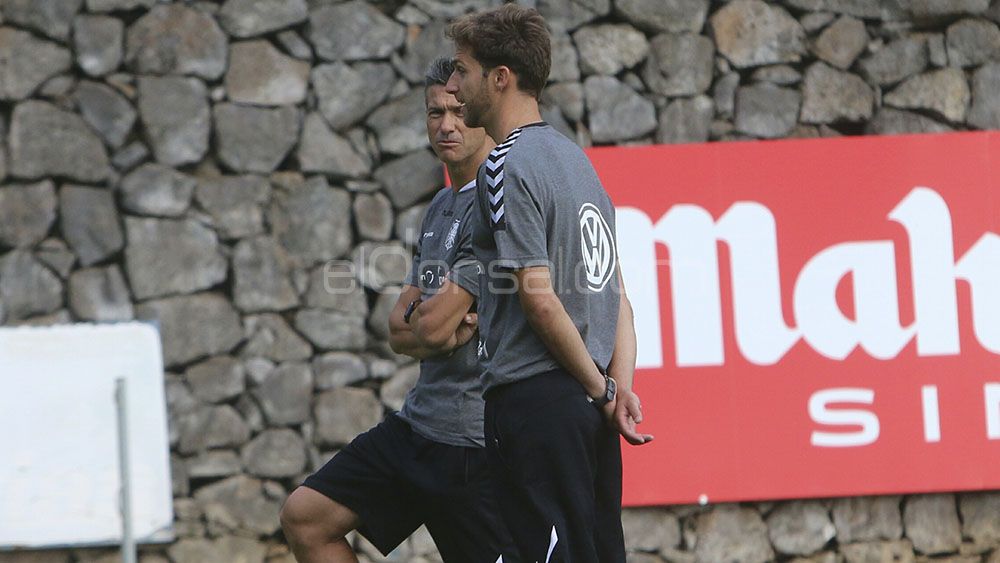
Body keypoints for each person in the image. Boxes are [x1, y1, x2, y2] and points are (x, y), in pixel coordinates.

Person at [280, 58, 517, 563]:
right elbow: (401, 329)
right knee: (306, 517)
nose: (446, 125)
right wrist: (435, 327)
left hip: (473, 442)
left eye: (457, 111)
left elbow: (425, 324)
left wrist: (430, 326)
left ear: (482, 110)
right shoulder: (439, 206)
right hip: (417, 425)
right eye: (435, 113)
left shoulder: (500, 203)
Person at [444, 5, 654, 562]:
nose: (453, 85)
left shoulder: (504, 165)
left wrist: (598, 387)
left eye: (462, 70)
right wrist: (616, 390)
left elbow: (537, 297)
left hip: (538, 401)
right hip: (589, 408)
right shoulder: (576, 161)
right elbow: (619, 298)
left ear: (500, 77)